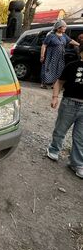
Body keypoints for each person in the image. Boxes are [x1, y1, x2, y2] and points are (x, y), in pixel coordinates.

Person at [46, 44, 83, 179]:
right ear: (81, 52)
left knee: (80, 137)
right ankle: (54, 149)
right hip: (69, 103)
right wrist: (55, 97)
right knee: (60, 130)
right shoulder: (72, 66)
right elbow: (59, 82)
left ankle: (77, 163)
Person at [40, 20, 79, 89]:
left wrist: (80, 45)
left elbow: (71, 41)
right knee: (48, 69)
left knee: (59, 69)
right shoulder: (51, 36)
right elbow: (44, 45)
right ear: (58, 28)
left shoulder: (64, 35)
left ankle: (54, 84)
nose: (65, 28)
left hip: (60, 56)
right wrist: (42, 56)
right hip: (50, 56)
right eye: (63, 27)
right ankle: (43, 84)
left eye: (65, 27)